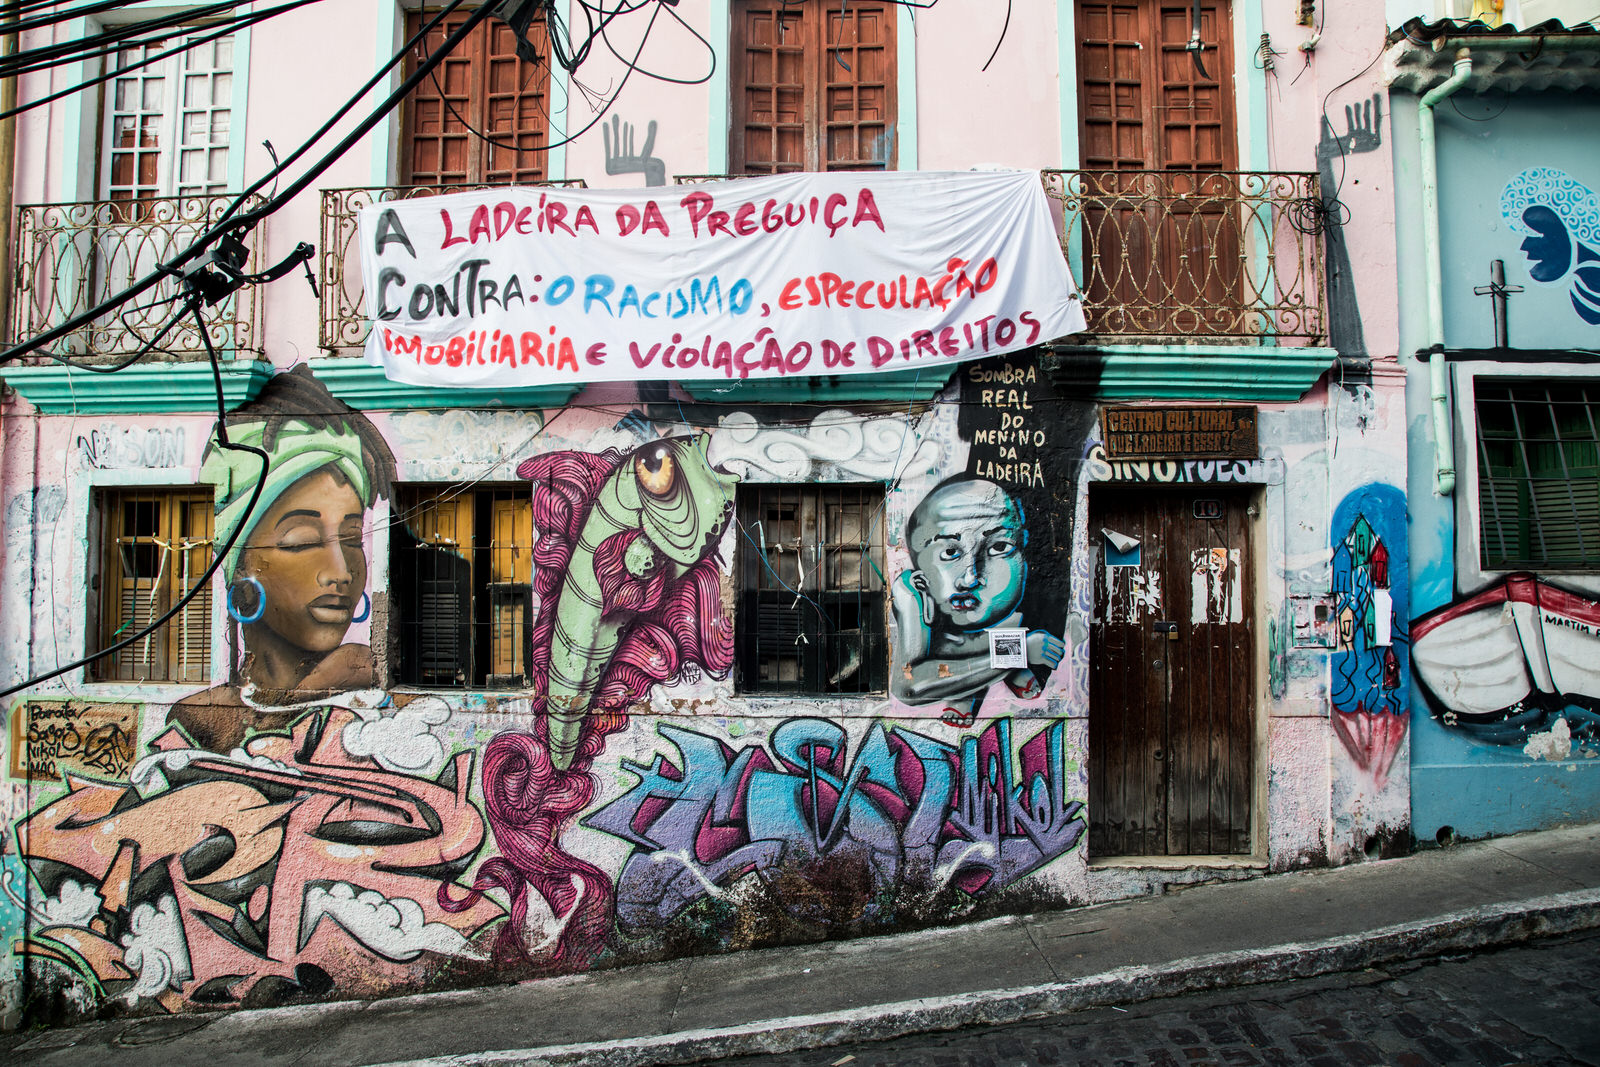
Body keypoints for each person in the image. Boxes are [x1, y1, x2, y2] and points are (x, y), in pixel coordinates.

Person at [169, 367, 395, 751]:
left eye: (353, 538)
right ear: (238, 562)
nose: (340, 574)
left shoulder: (358, 672)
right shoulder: (195, 719)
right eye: (302, 540)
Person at [891, 476, 1064, 726]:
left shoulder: (1026, 608)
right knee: (948, 643)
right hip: (954, 647)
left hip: (982, 637)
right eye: (950, 553)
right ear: (921, 575)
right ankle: (985, 679)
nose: (970, 578)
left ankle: (967, 688)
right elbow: (908, 686)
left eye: (998, 547)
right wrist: (1019, 653)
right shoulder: (911, 593)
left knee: (1005, 625)